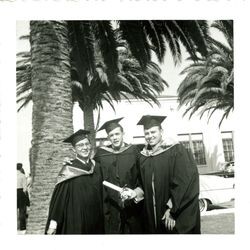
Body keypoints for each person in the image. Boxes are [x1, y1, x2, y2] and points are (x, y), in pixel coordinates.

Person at [122, 115, 200, 234]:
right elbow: (142, 184)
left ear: (161, 131)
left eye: (153, 132)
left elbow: (185, 183)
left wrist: (172, 209)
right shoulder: (143, 157)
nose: (150, 136)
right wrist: (134, 193)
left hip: (171, 213)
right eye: (146, 133)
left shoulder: (176, 151)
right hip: (151, 216)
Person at [45, 129, 104, 234]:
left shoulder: (97, 167)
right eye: (80, 145)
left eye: (86, 144)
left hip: (97, 219)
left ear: (90, 146)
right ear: (74, 150)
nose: (85, 148)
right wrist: (53, 224)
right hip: (77, 220)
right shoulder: (69, 169)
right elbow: (59, 199)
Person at [94, 118, 144, 234]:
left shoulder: (134, 151)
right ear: (108, 138)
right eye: (111, 135)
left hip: (132, 205)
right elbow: (90, 170)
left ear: (123, 134)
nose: (115, 137)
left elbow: (143, 175)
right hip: (110, 206)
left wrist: (136, 192)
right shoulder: (101, 154)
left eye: (117, 134)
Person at [17, 163, 29, 231]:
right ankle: (22, 227)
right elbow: (25, 188)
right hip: (21, 192)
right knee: (22, 210)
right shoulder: (22, 176)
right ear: (21, 167)